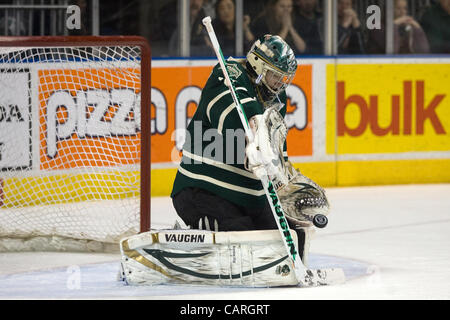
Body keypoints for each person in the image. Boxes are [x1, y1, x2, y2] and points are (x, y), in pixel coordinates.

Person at [170, 35, 329, 260]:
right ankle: (184, 243)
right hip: (204, 190)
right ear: (258, 65)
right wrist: (256, 133)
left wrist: (289, 187)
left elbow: (276, 157)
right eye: (276, 75)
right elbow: (237, 118)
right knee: (244, 241)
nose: (281, 84)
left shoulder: (276, 99)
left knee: (291, 238)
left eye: (285, 78)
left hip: (250, 197)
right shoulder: (228, 74)